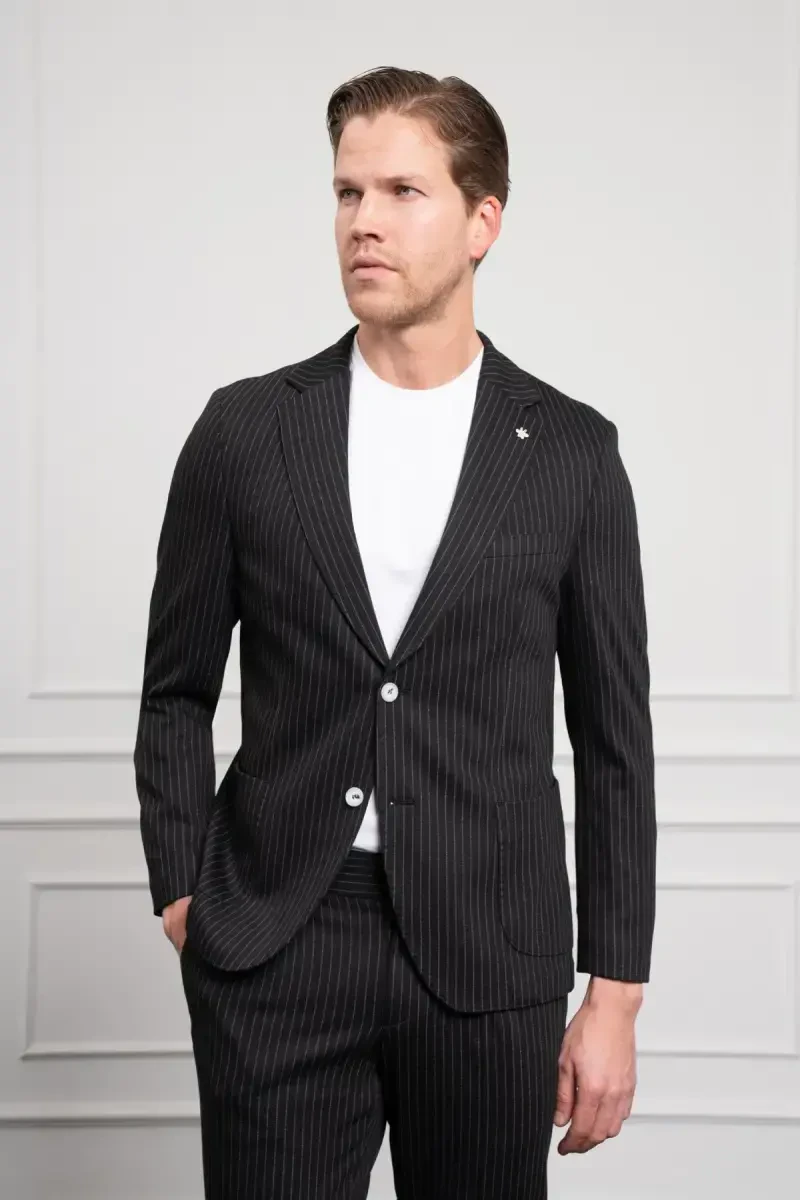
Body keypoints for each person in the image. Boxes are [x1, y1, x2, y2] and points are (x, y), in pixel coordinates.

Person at [133, 64, 657, 1200]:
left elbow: (615, 743)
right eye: (346, 192)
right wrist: (184, 892)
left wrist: (612, 999)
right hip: (278, 943)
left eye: (402, 192)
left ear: (482, 223)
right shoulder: (244, 431)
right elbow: (174, 691)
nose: (362, 221)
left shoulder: (572, 453)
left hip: (489, 961)